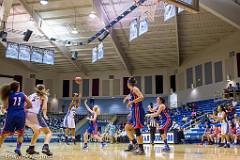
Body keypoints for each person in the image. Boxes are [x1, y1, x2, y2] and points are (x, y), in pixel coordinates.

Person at [0, 81, 32, 156]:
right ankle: (18, 148)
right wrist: (23, 108)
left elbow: (4, 107)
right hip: (21, 114)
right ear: (18, 87)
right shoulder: (22, 94)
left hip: (11, 114)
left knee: (4, 133)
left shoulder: (8, 95)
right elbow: (30, 104)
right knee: (21, 133)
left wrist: (4, 108)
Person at [25, 84, 53, 156]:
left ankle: (31, 148)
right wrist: (45, 115)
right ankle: (45, 147)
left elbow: (25, 104)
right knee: (48, 133)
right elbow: (44, 108)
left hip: (26, 115)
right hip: (35, 115)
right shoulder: (44, 96)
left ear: (36, 89)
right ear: (43, 89)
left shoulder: (31, 95)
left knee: (37, 131)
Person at [123, 77, 145, 155]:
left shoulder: (135, 88)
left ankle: (141, 149)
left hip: (138, 111)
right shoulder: (132, 90)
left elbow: (142, 97)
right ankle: (135, 144)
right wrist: (126, 98)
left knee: (137, 130)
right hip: (134, 111)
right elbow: (130, 95)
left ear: (128, 84)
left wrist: (131, 102)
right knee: (127, 127)